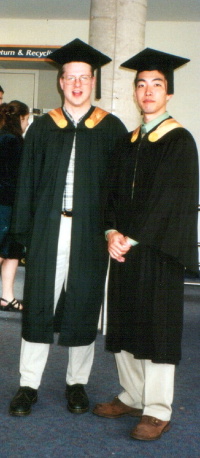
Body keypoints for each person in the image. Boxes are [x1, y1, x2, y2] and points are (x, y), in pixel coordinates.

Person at [9, 38, 127, 416]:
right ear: (60, 82)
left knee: (84, 305)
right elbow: (25, 182)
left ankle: (77, 384)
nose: (77, 85)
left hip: (91, 233)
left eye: (84, 78)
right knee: (38, 304)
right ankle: (28, 385)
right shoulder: (43, 128)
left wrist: (115, 229)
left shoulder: (111, 129)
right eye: (70, 78)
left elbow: (119, 190)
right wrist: (21, 235)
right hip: (48, 230)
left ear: (93, 82)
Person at [93, 48, 199, 441]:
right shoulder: (128, 141)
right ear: (135, 92)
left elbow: (171, 200)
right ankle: (132, 395)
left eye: (157, 84)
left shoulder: (179, 141)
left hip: (158, 252)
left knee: (156, 329)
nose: (148, 91)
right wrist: (110, 233)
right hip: (124, 249)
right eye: (142, 84)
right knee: (125, 324)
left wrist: (131, 238)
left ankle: (157, 409)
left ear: (168, 93)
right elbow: (111, 195)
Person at [0, 100, 29, 311]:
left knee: (12, 252)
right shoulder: (14, 141)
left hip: (9, 205)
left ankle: (7, 297)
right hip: (7, 206)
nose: (27, 123)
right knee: (5, 251)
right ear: (20, 118)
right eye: (27, 119)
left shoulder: (5, 137)